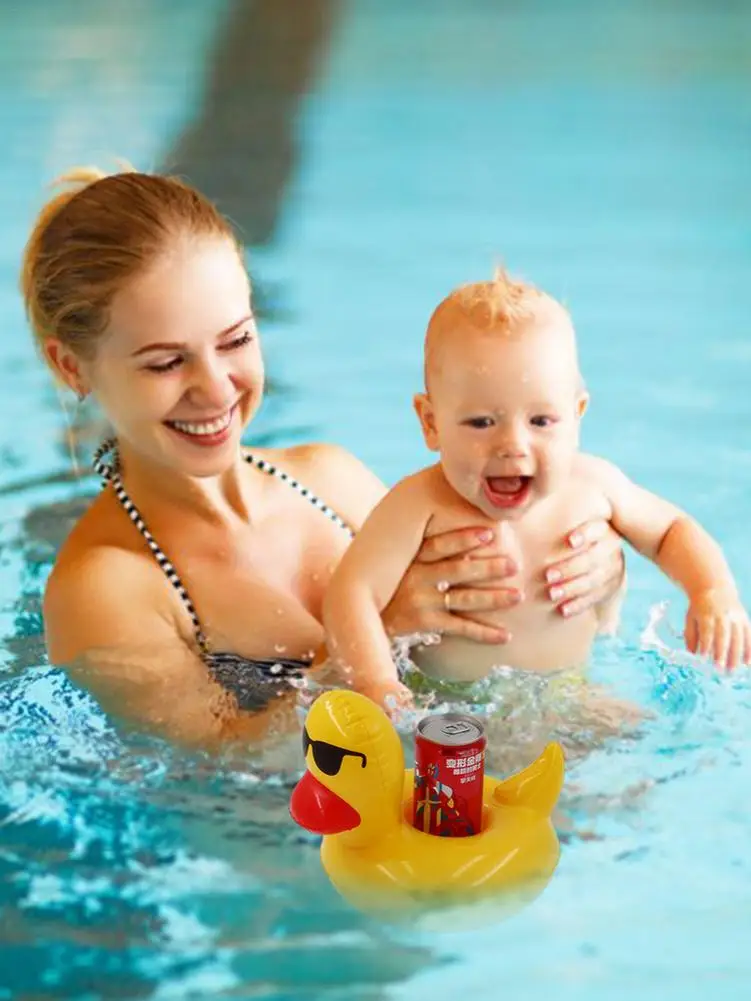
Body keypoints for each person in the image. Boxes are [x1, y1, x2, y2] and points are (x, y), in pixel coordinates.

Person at [20, 167, 625, 747]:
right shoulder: (107, 586)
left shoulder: (327, 478)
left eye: (236, 340)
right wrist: (374, 643)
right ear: (71, 366)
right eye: (166, 362)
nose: (216, 387)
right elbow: (212, 770)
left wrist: (593, 574)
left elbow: (502, 585)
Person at [322, 270, 751, 709]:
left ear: (577, 412)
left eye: (541, 421)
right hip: (451, 709)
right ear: (430, 423)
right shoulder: (418, 505)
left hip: (569, 698)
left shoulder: (592, 487)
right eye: (481, 422)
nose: (512, 445)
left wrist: (712, 591)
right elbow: (350, 594)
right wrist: (376, 684)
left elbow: (671, 529)